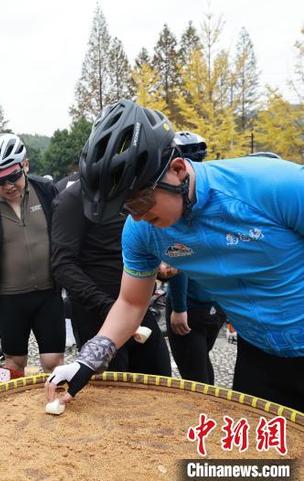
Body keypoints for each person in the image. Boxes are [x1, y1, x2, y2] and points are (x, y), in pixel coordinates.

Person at [46, 99, 304, 412]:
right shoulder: (141, 232)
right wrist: (87, 361)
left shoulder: (275, 184)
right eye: (126, 209)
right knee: (263, 457)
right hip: (258, 355)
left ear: (177, 170)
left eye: (140, 202)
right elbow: (131, 303)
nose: (136, 217)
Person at [0, 133, 65, 372]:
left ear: (25, 165)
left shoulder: (46, 190)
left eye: (13, 177)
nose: (7, 186)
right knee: (14, 364)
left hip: (49, 293)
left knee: (54, 363)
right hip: (9, 298)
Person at [50, 178, 171, 376]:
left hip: (138, 303)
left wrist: (160, 267)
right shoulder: (72, 199)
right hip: (96, 312)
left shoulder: (131, 191)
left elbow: (139, 247)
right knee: (111, 390)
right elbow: (62, 265)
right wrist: (107, 306)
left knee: (159, 376)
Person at [160, 131, 226, 384]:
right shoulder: (213, 197)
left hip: (192, 304)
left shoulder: (176, 206)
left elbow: (179, 260)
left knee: (197, 379)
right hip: (215, 302)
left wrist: (179, 307)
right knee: (202, 369)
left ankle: (205, 421)